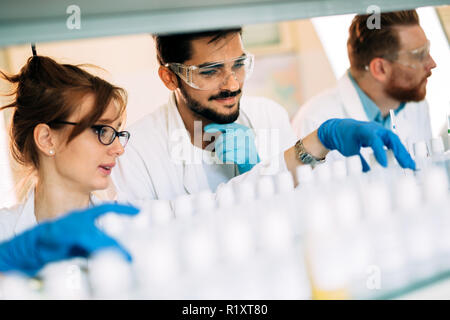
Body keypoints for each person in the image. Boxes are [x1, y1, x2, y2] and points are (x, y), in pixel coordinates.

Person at [112, 28, 416, 202]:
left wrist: (261, 174)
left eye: (238, 65)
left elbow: (302, 214)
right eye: (210, 71)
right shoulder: (136, 153)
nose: (232, 83)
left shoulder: (269, 116)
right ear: (169, 78)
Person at [0, 53, 131, 262]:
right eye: (101, 131)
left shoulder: (128, 226)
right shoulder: (5, 237)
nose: (118, 149)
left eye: (116, 132)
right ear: (46, 139)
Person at [291, 10, 436, 170]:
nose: (432, 63)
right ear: (380, 69)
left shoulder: (416, 106)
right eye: (419, 55)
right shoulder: (312, 121)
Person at [0, 203, 139, 276]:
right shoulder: (4, 225)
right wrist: (12, 256)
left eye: (122, 145)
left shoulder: (136, 220)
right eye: (103, 145)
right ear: (48, 146)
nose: (119, 150)